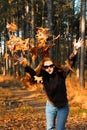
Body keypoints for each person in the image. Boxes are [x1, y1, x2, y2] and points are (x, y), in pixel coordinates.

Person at [18, 38, 83, 130]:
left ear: (53, 65)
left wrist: (75, 50)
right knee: (50, 128)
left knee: (60, 128)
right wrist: (23, 63)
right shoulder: (43, 77)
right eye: (46, 67)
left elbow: (70, 63)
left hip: (63, 107)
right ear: (44, 68)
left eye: (50, 66)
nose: (49, 68)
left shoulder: (61, 73)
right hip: (50, 106)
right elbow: (33, 73)